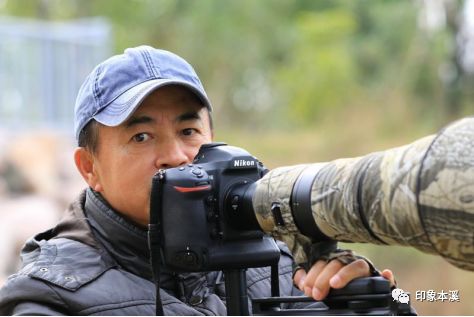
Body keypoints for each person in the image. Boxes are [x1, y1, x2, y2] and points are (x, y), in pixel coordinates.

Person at [0, 46, 394, 315]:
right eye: (141, 136)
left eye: (189, 131)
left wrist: (372, 302)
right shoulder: (48, 297)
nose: (175, 155)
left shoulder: (277, 261)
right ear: (89, 169)